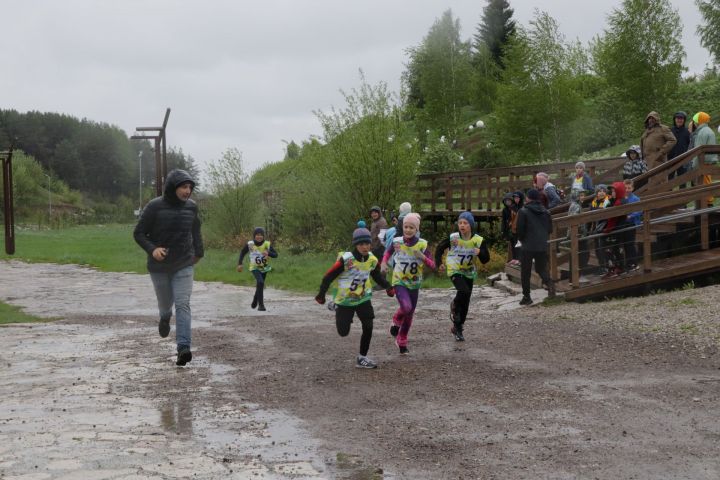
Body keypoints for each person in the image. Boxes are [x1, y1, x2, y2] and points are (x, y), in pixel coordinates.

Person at [133, 169, 204, 366]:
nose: (187, 191)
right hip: (159, 266)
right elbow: (139, 233)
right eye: (184, 186)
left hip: (183, 264)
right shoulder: (154, 206)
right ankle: (165, 318)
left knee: (182, 303)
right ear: (173, 187)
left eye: (190, 187)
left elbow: (196, 230)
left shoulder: (192, 208)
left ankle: (183, 348)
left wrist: (199, 253)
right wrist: (153, 249)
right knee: (166, 306)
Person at [315, 227, 394, 369]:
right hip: (345, 300)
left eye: (367, 243)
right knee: (343, 332)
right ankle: (336, 306)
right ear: (356, 245)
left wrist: (388, 286)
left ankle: (362, 357)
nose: (365, 247)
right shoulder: (346, 260)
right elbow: (328, 276)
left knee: (368, 325)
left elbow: (375, 275)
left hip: (363, 298)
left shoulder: (372, 259)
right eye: (361, 244)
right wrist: (321, 295)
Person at [380, 213, 435, 354]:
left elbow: (432, 265)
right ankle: (396, 319)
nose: (408, 230)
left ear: (416, 229)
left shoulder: (422, 244)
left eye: (412, 227)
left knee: (410, 313)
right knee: (406, 307)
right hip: (399, 281)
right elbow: (387, 253)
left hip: (414, 283)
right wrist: (384, 263)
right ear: (402, 227)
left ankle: (402, 339)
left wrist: (422, 257)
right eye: (406, 227)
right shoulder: (397, 242)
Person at [434, 211, 490, 341]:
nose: (462, 225)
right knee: (463, 291)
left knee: (466, 302)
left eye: (465, 223)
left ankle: (458, 327)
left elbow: (485, 260)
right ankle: (454, 304)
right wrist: (439, 263)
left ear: (471, 225)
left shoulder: (478, 240)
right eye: (460, 223)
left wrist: (480, 252)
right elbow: (439, 248)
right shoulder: (453, 238)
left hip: (468, 271)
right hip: (454, 268)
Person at [516, 189, 554, 306]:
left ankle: (527, 297)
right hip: (542, 245)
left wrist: (522, 240)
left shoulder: (523, 211)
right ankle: (550, 284)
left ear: (528, 198)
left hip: (527, 246)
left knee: (525, 272)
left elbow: (520, 230)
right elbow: (550, 229)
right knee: (541, 268)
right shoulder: (546, 212)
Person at [237, 226, 278, 311]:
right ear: (254, 236)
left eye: (261, 235)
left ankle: (255, 299)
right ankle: (261, 305)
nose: (259, 236)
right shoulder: (250, 244)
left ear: (263, 236)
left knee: (260, 284)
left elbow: (275, 255)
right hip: (254, 267)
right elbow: (242, 252)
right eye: (257, 235)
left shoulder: (267, 244)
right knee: (260, 282)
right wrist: (240, 263)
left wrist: (268, 253)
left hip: (264, 268)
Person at [690, 111, 717, 207]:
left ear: (699, 121)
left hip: (703, 163)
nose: (695, 122)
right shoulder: (709, 130)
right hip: (709, 161)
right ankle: (707, 203)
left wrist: (694, 165)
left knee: (703, 184)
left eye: (696, 120)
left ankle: (706, 205)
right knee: (707, 183)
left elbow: (699, 150)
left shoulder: (702, 132)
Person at [623, 179, 642, 271]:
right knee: (625, 244)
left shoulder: (635, 199)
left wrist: (631, 216)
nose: (627, 190)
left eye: (629, 188)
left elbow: (639, 211)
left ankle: (634, 263)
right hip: (623, 224)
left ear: (632, 188)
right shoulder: (622, 198)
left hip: (631, 223)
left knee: (630, 244)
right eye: (625, 188)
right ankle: (628, 263)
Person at [669, 111, 691, 184]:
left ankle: (683, 195)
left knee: (682, 181)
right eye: (678, 118)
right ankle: (669, 195)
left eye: (681, 118)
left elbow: (690, 145)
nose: (679, 120)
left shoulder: (687, 131)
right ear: (674, 119)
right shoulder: (670, 131)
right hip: (670, 159)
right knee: (669, 180)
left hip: (683, 159)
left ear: (684, 120)